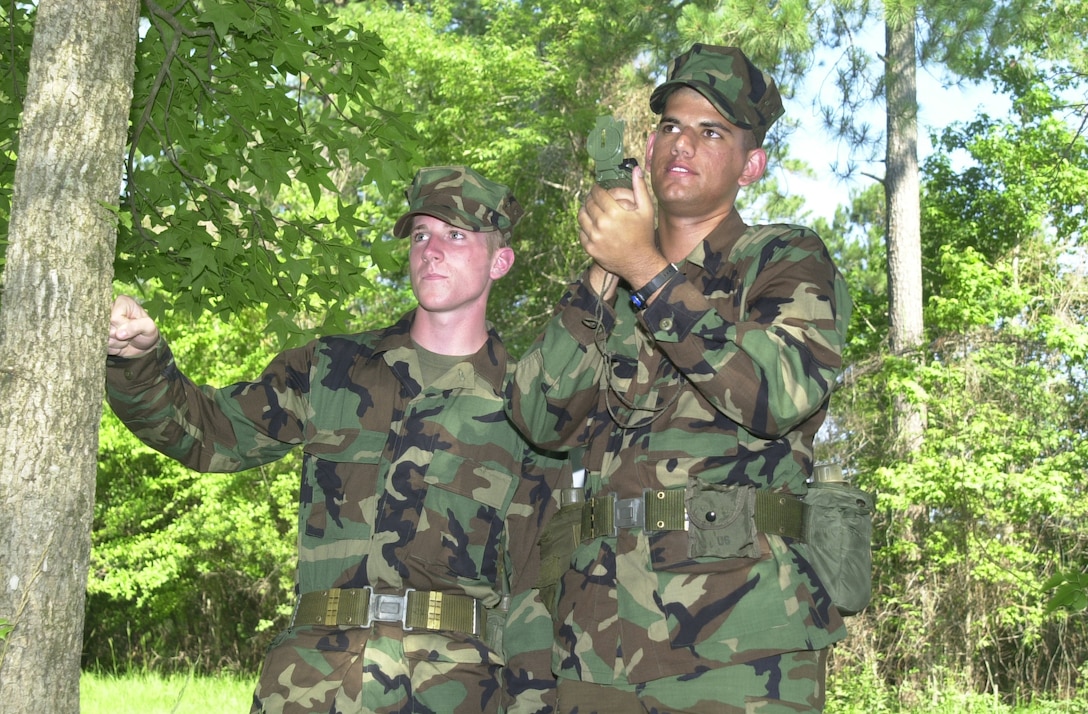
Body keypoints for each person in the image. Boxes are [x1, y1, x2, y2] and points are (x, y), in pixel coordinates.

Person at [106, 165, 564, 714]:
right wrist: (139, 362)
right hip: (311, 685)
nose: (431, 250)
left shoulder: (527, 405)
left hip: (457, 690)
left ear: (501, 261)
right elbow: (207, 432)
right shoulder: (330, 368)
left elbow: (537, 590)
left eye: (456, 234)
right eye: (420, 234)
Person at [506, 44, 853, 713]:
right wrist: (602, 273)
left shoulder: (784, 260)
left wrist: (643, 268)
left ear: (752, 164)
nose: (682, 143)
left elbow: (772, 394)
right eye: (669, 125)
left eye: (711, 130)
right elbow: (538, 418)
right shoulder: (612, 284)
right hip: (595, 637)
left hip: (741, 643)